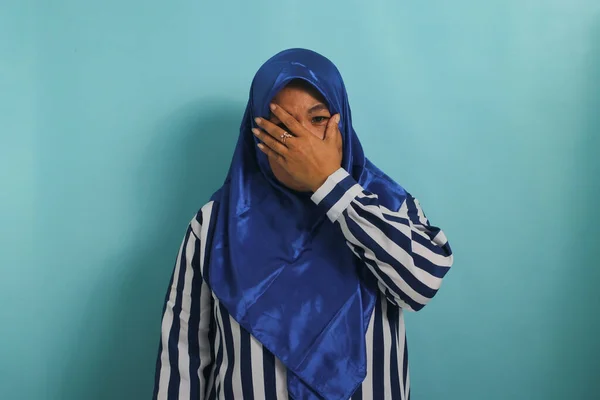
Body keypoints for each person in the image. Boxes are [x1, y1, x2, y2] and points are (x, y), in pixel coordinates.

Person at [152, 48, 453, 400]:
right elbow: (183, 354)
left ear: (342, 122)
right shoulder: (214, 224)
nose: (301, 145)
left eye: (318, 120)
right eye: (281, 126)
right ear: (255, 133)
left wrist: (330, 184)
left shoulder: (387, 202)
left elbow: (423, 282)